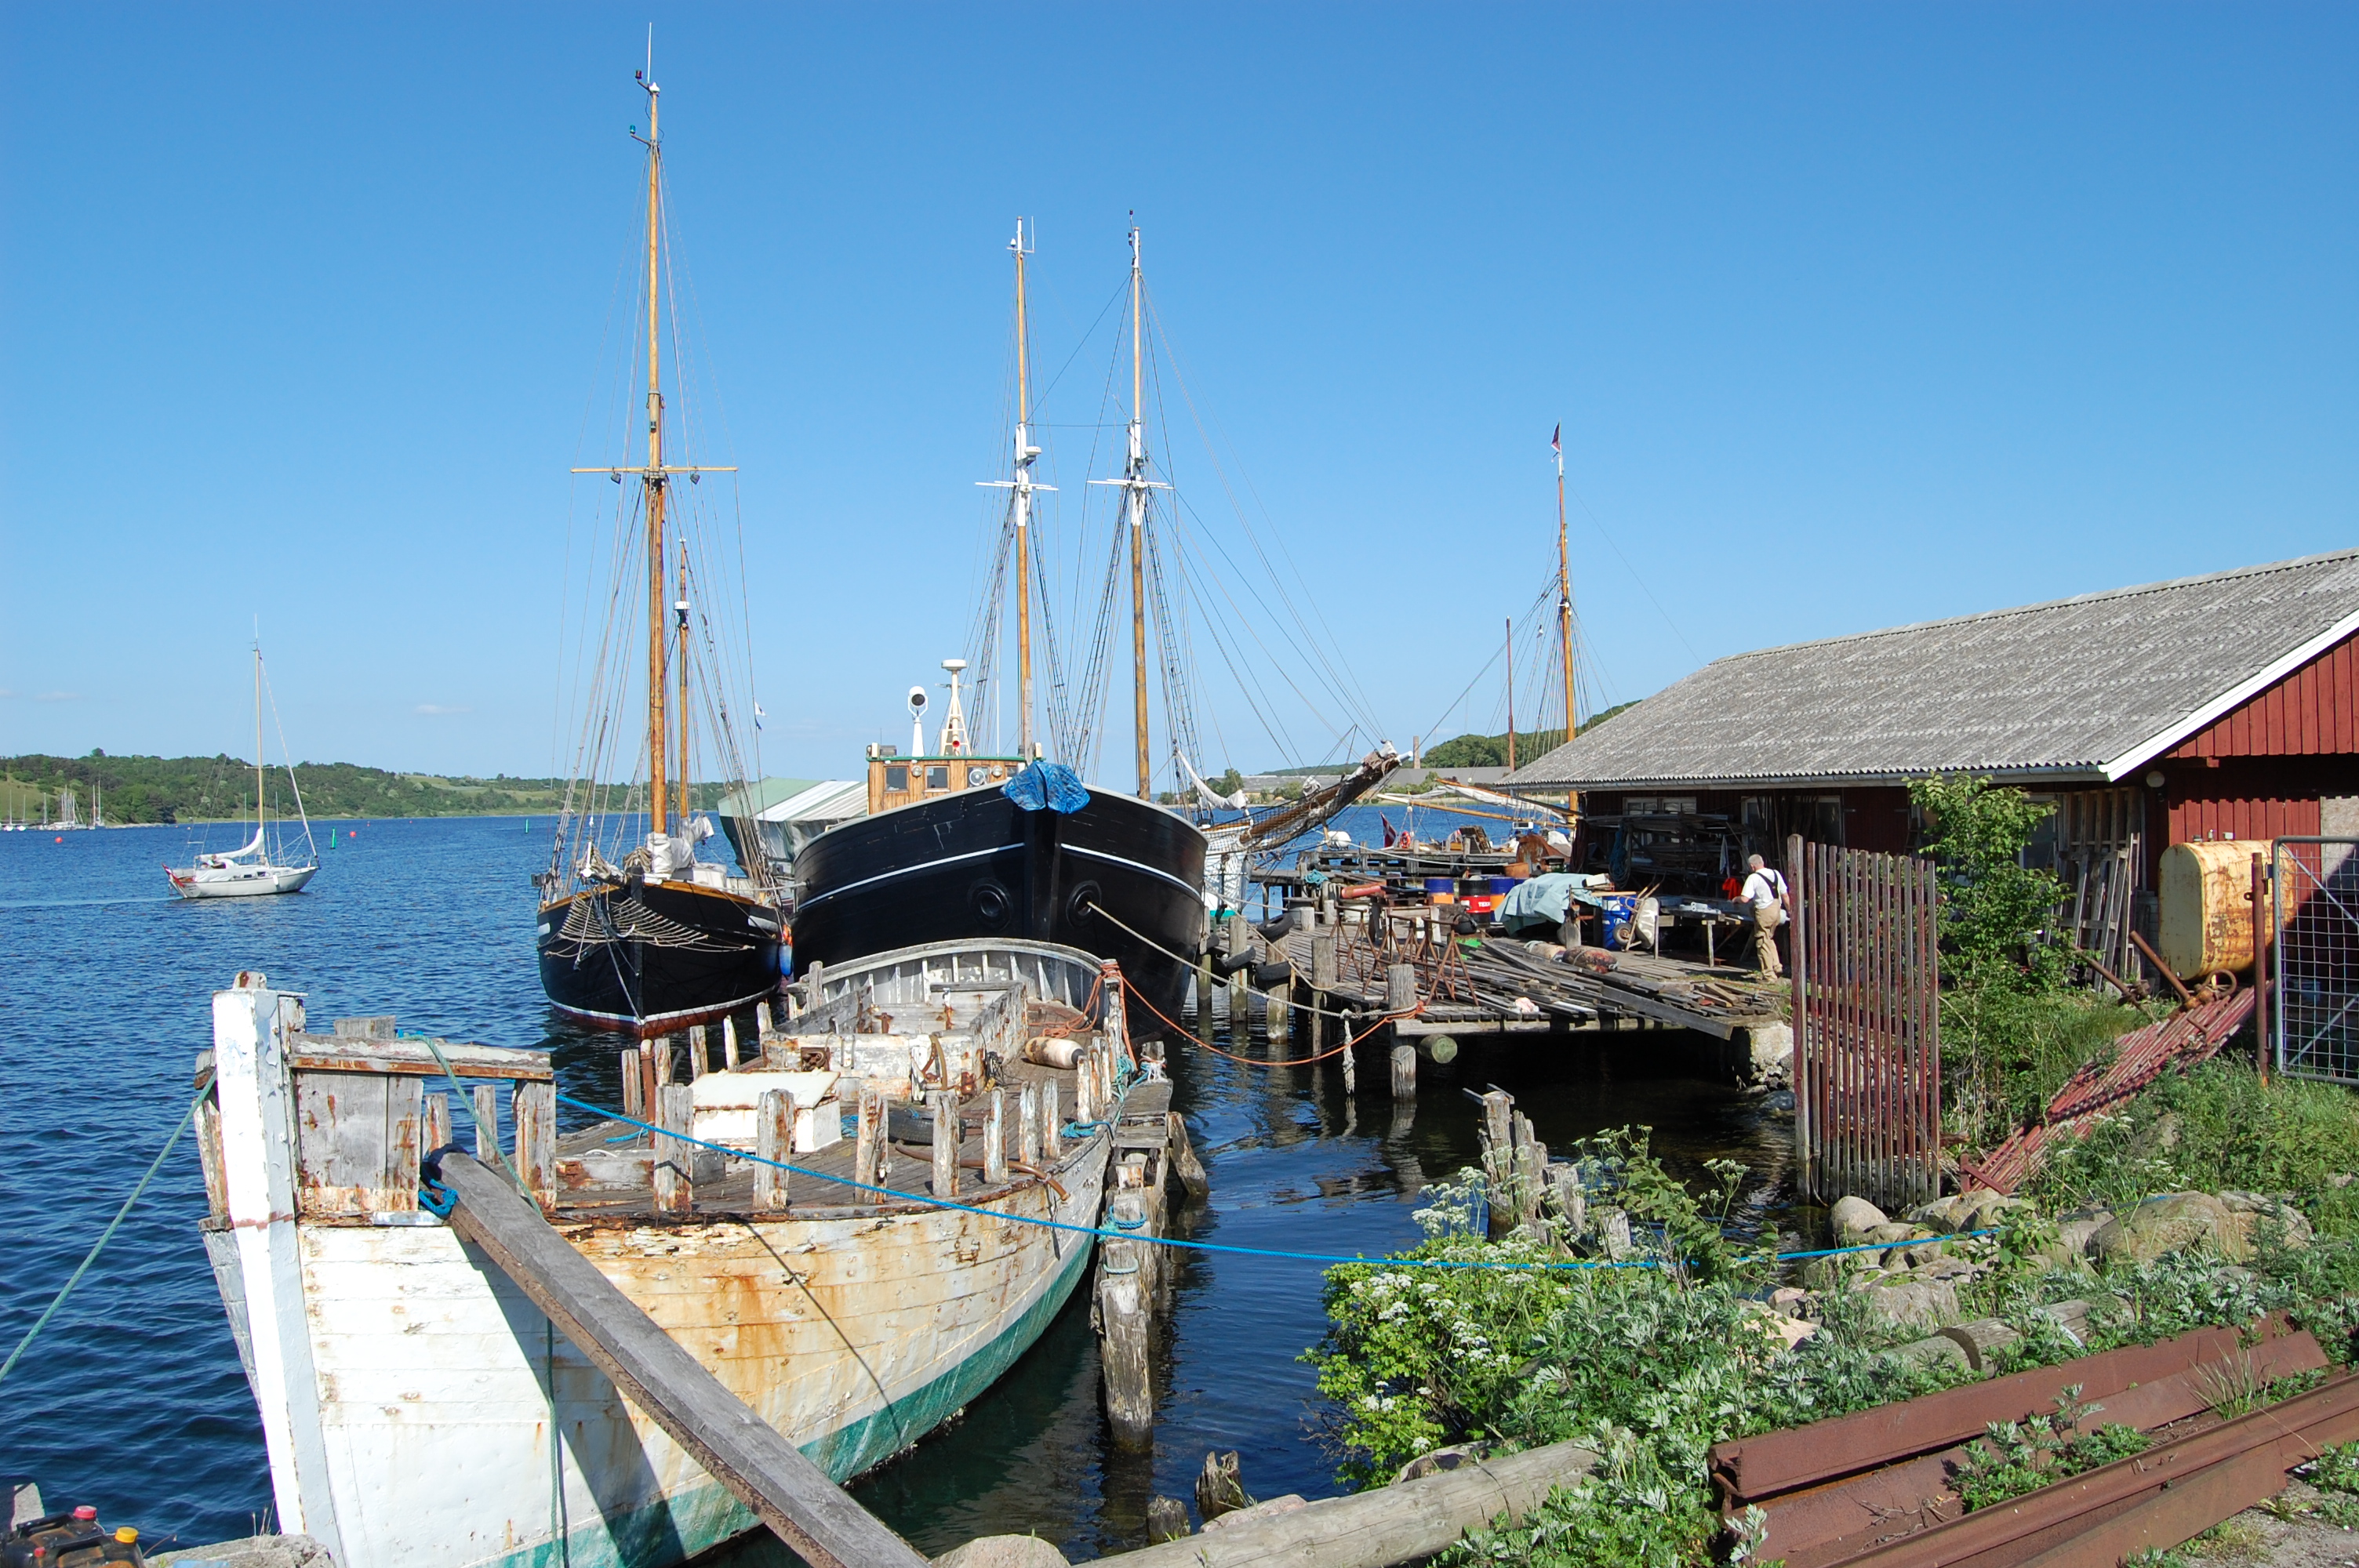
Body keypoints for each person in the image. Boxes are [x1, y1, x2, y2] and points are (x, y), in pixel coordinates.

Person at [1739, 854, 1789, 976]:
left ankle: (1769, 975)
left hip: (1764, 912)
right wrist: (1790, 911)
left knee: (1762, 941)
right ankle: (1777, 967)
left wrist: (1736, 899)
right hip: (1777, 910)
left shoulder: (1753, 878)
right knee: (1769, 938)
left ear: (1752, 866)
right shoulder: (1776, 874)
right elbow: (1785, 895)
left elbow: (1745, 899)